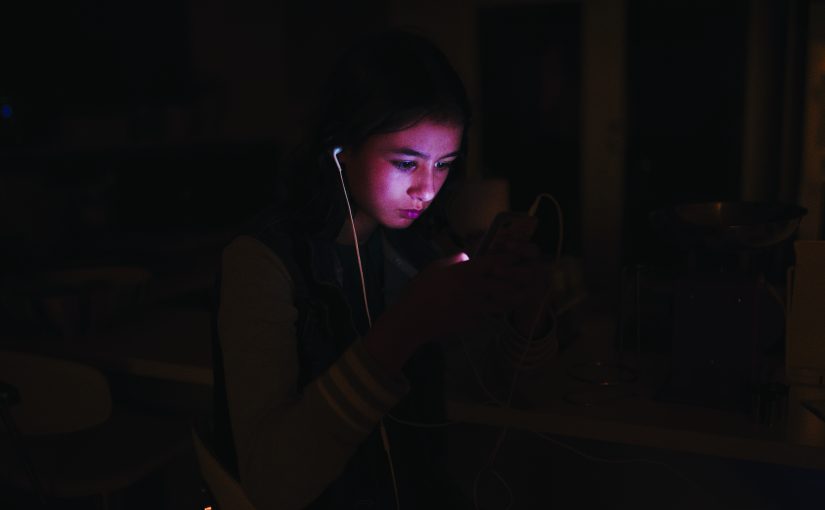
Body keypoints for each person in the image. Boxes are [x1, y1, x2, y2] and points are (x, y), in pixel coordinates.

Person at [211, 29, 551, 510]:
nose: (428, 190)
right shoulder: (262, 262)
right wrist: (406, 326)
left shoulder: (421, 251)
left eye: (445, 164)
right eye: (406, 162)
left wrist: (528, 311)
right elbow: (273, 485)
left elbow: (502, 396)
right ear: (340, 148)